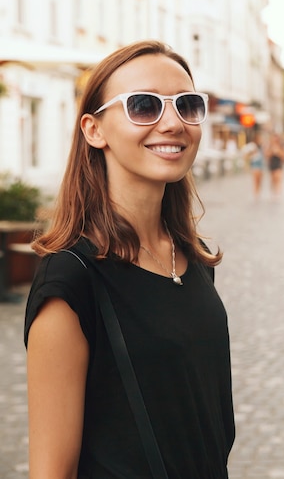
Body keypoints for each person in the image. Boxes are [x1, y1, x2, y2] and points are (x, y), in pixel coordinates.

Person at [24, 41, 235, 478]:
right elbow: (51, 471)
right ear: (93, 130)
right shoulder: (70, 279)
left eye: (187, 105)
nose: (173, 123)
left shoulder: (189, 257)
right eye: (144, 106)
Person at [266, 133, 284, 199]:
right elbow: (267, 155)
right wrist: (272, 152)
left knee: (278, 178)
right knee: (272, 179)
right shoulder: (270, 146)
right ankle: (273, 192)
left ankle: (278, 192)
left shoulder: (281, 146)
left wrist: (277, 152)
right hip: (272, 164)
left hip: (278, 164)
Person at [248, 134, 266, 200]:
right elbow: (249, 155)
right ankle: (255, 193)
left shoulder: (262, 147)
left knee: (260, 181)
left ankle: (258, 193)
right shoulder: (252, 146)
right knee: (255, 180)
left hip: (261, 165)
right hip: (255, 165)